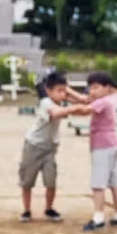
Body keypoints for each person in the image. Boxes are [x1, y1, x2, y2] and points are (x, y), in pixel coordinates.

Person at [19, 71, 80, 222]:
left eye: (64, 91)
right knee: (27, 181)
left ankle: (49, 208)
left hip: (50, 148)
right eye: (59, 91)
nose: (62, 94)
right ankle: (26, 210)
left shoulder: (61, 101)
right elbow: (55, 113)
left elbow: (83, 100)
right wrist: (76, 108)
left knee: (51, 180)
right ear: (48, 90)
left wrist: (68, 91)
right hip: (34, 146)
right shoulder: (46, 102)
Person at [67, 72, 117, 231]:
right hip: (112, 144)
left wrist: (66, 110)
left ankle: (98, 217)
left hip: (102, 145)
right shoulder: (111, 98)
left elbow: (85, 109)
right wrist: (68, 92)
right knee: (114, 182)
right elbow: (84, 99)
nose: (92, 91)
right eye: (91, 87)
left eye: (96, 87)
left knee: (98, 183)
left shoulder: (104, 102)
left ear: (107, 88)